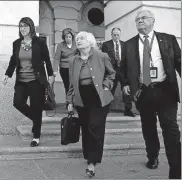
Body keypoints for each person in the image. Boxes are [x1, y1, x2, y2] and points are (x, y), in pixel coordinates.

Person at [121, 10, 181, 179]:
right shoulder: (129, 44)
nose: (140, 21)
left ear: (153, 21)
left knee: (171, 129)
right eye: (137, 19)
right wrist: (125, 83)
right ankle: (152, 156)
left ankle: (176, 170)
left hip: (165, 90)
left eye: (143, 18)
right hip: (143, 92)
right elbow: (123, 68)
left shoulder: (168, 39)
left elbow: (179, 61)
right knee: (148, 127)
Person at [67, 31, 115, 177]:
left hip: (99, 97)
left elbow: (111, 74)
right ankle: (89, 156)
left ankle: (92, 163)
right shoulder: (73, 60)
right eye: (77, 39)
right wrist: (69, 101)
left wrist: (106, 85)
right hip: (81, 98)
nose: (78, 41)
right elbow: (72, 83)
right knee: (86, 128)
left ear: (90, 42)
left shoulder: (102, 56)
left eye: (82, 38)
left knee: (95, 127)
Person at [3, 17, 55, 147]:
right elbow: (13, 61)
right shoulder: (16, 43)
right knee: (18, 103)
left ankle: (36, 136)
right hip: (21, 81)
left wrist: (50, 74)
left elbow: (47, 59)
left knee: (36, 106)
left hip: (36, 81)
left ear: (31, 27)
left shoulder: (40, 42)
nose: (23, 28)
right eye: (21, 26)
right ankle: (37, 119)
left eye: (25, 26)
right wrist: (7, 74)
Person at [101, 27, 135, 117]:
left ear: (120, 35)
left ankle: (128, 110)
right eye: (114, 35)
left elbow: (127, 58)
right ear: (111, 35)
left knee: (126, 90)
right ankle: (105, 109)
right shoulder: (106, 44)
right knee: (110, 89)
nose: (116, 36)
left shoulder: (125, 44)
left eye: (118, 35)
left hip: (123, 71)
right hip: (111, 70)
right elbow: (104, 59)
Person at [53, 28, 77, 106]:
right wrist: (55, 70)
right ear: (64, 37)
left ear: (72, 37)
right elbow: (57, 58)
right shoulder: (60, 45)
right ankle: (69, 104)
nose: (68, 39)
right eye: (66, 37)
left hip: (74, 68)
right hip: (64, 69)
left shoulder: (76, 44)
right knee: (68, 86)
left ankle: (75, 103)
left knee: (75, 86)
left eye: (69, 37)